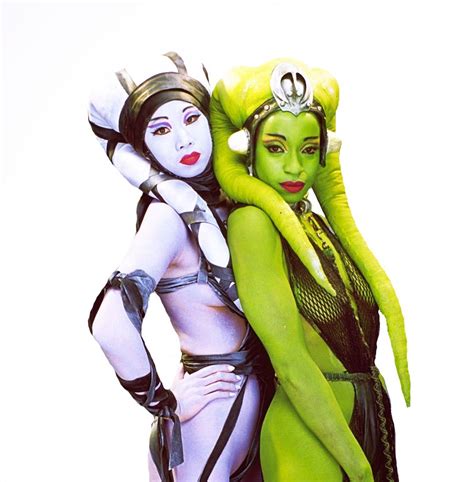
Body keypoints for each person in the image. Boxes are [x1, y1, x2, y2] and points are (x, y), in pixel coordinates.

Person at [210, 59, 411, 481]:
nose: (294, 167)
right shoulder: (253, 224)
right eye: (276, 148)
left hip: (367, 426)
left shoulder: (314, 222)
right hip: (308, 438)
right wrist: (358, 467)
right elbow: (291, 366)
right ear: (249, 150)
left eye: (307, 149)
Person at [87, 52, 273, 482]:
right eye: (161, 130)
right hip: (212, 413)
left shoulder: (230, 200)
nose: (184, 141)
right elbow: (111, 323)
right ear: (143, 148)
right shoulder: (168, 216)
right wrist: (164, 403)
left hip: (257, 399)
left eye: (191, 119)